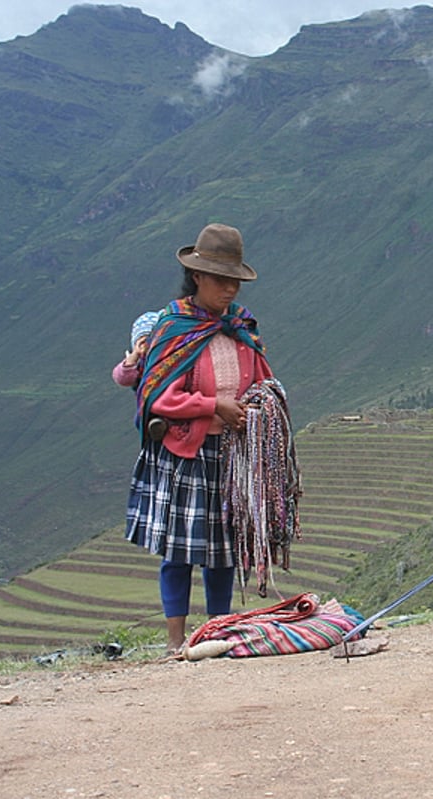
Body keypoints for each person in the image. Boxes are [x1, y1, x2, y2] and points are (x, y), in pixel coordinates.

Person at [126, 223, 272, 653]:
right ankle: (175, 640)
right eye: (221, 281)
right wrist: (213, 406)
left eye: (235, 282)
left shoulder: (240, 329)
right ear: (198, 278)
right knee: (180, 549)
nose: (230, 291)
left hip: (231, 453)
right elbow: (160, 396)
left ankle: (218, 632)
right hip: (186, 453)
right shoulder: (174, 329)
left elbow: (262, 380)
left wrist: (259, 408)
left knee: (223, 549)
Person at [112, 311, 161, 389]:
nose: (145, 346)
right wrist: (134, 356)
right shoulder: (138, 364)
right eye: (142, 342)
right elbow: (122, 379)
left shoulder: (167, 354)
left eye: (150, 340)